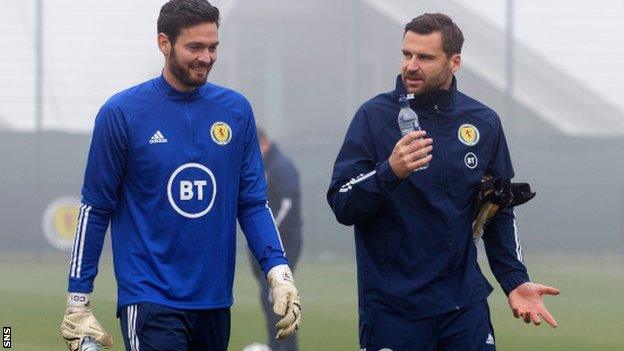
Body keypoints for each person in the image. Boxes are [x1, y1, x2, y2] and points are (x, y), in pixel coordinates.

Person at [59, 1, 301, 350]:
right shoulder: (122, 113)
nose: (206, 57)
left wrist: (278, 272)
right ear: (164, 43)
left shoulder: (236, 111)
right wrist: (78, 299)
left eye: (213, 46)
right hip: (150, 299)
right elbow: (95, 208)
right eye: (195, 47)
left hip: (215, 302)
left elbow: (251, 204)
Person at [327, 13, 559, 351]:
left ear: (455, 62)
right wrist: (388, 171)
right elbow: (342, 203)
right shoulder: (373, 118)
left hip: (463, 308)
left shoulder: (483, 123)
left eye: (425, 57)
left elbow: (498, 209)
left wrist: (514, 280)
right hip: (394, 313)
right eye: (407, 54)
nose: (411, 66)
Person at [248, 129, 303, 351]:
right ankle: (277, 345)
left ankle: (284, 347)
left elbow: (287, 205)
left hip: (282, 246)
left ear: (263, 143)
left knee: (278, 298)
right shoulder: (262, 167)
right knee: (268, 298)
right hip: (265, 247)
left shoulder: (281, 167)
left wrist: (268, 234)